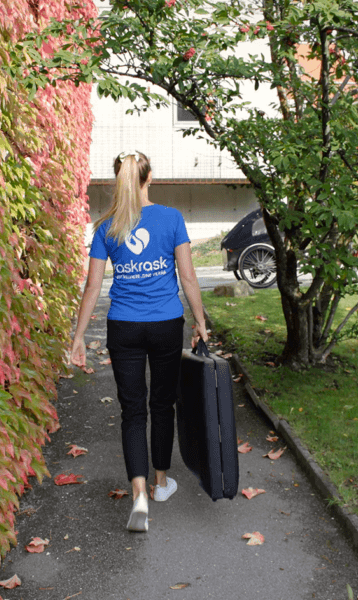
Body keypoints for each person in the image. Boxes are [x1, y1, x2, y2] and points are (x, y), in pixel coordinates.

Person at [70, 151, 209, 532]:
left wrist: (79, 336)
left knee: (133, 411)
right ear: (150, 179)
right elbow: (189, 278)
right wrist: (200, 322)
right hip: (166, 323)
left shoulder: (107, 227)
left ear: (120, 180)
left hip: (123, 328)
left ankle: (139, 495)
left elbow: (93, 286)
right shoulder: (172, 218)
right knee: (163, 404)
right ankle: (161, 483)